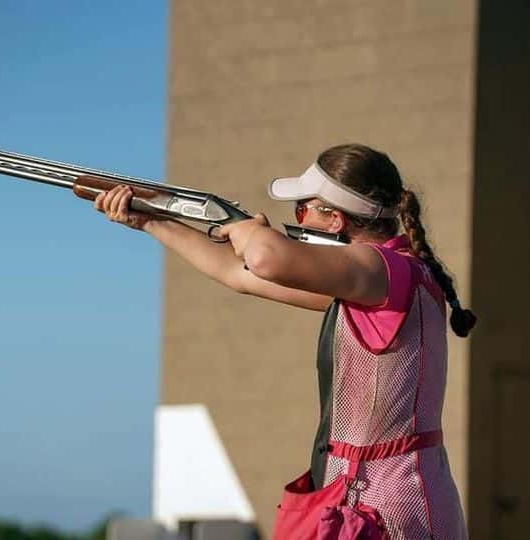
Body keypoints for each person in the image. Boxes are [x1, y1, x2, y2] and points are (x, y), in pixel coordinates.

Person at [94, 144, 475, 540]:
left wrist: (250, 230)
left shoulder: (381, 268)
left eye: (302, 208)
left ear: (334, 219)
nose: (299, 217)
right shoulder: (384, 277)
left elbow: (263, 258)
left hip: (388, 507)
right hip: (375, 498)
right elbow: (238, 273)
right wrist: (151, 222)